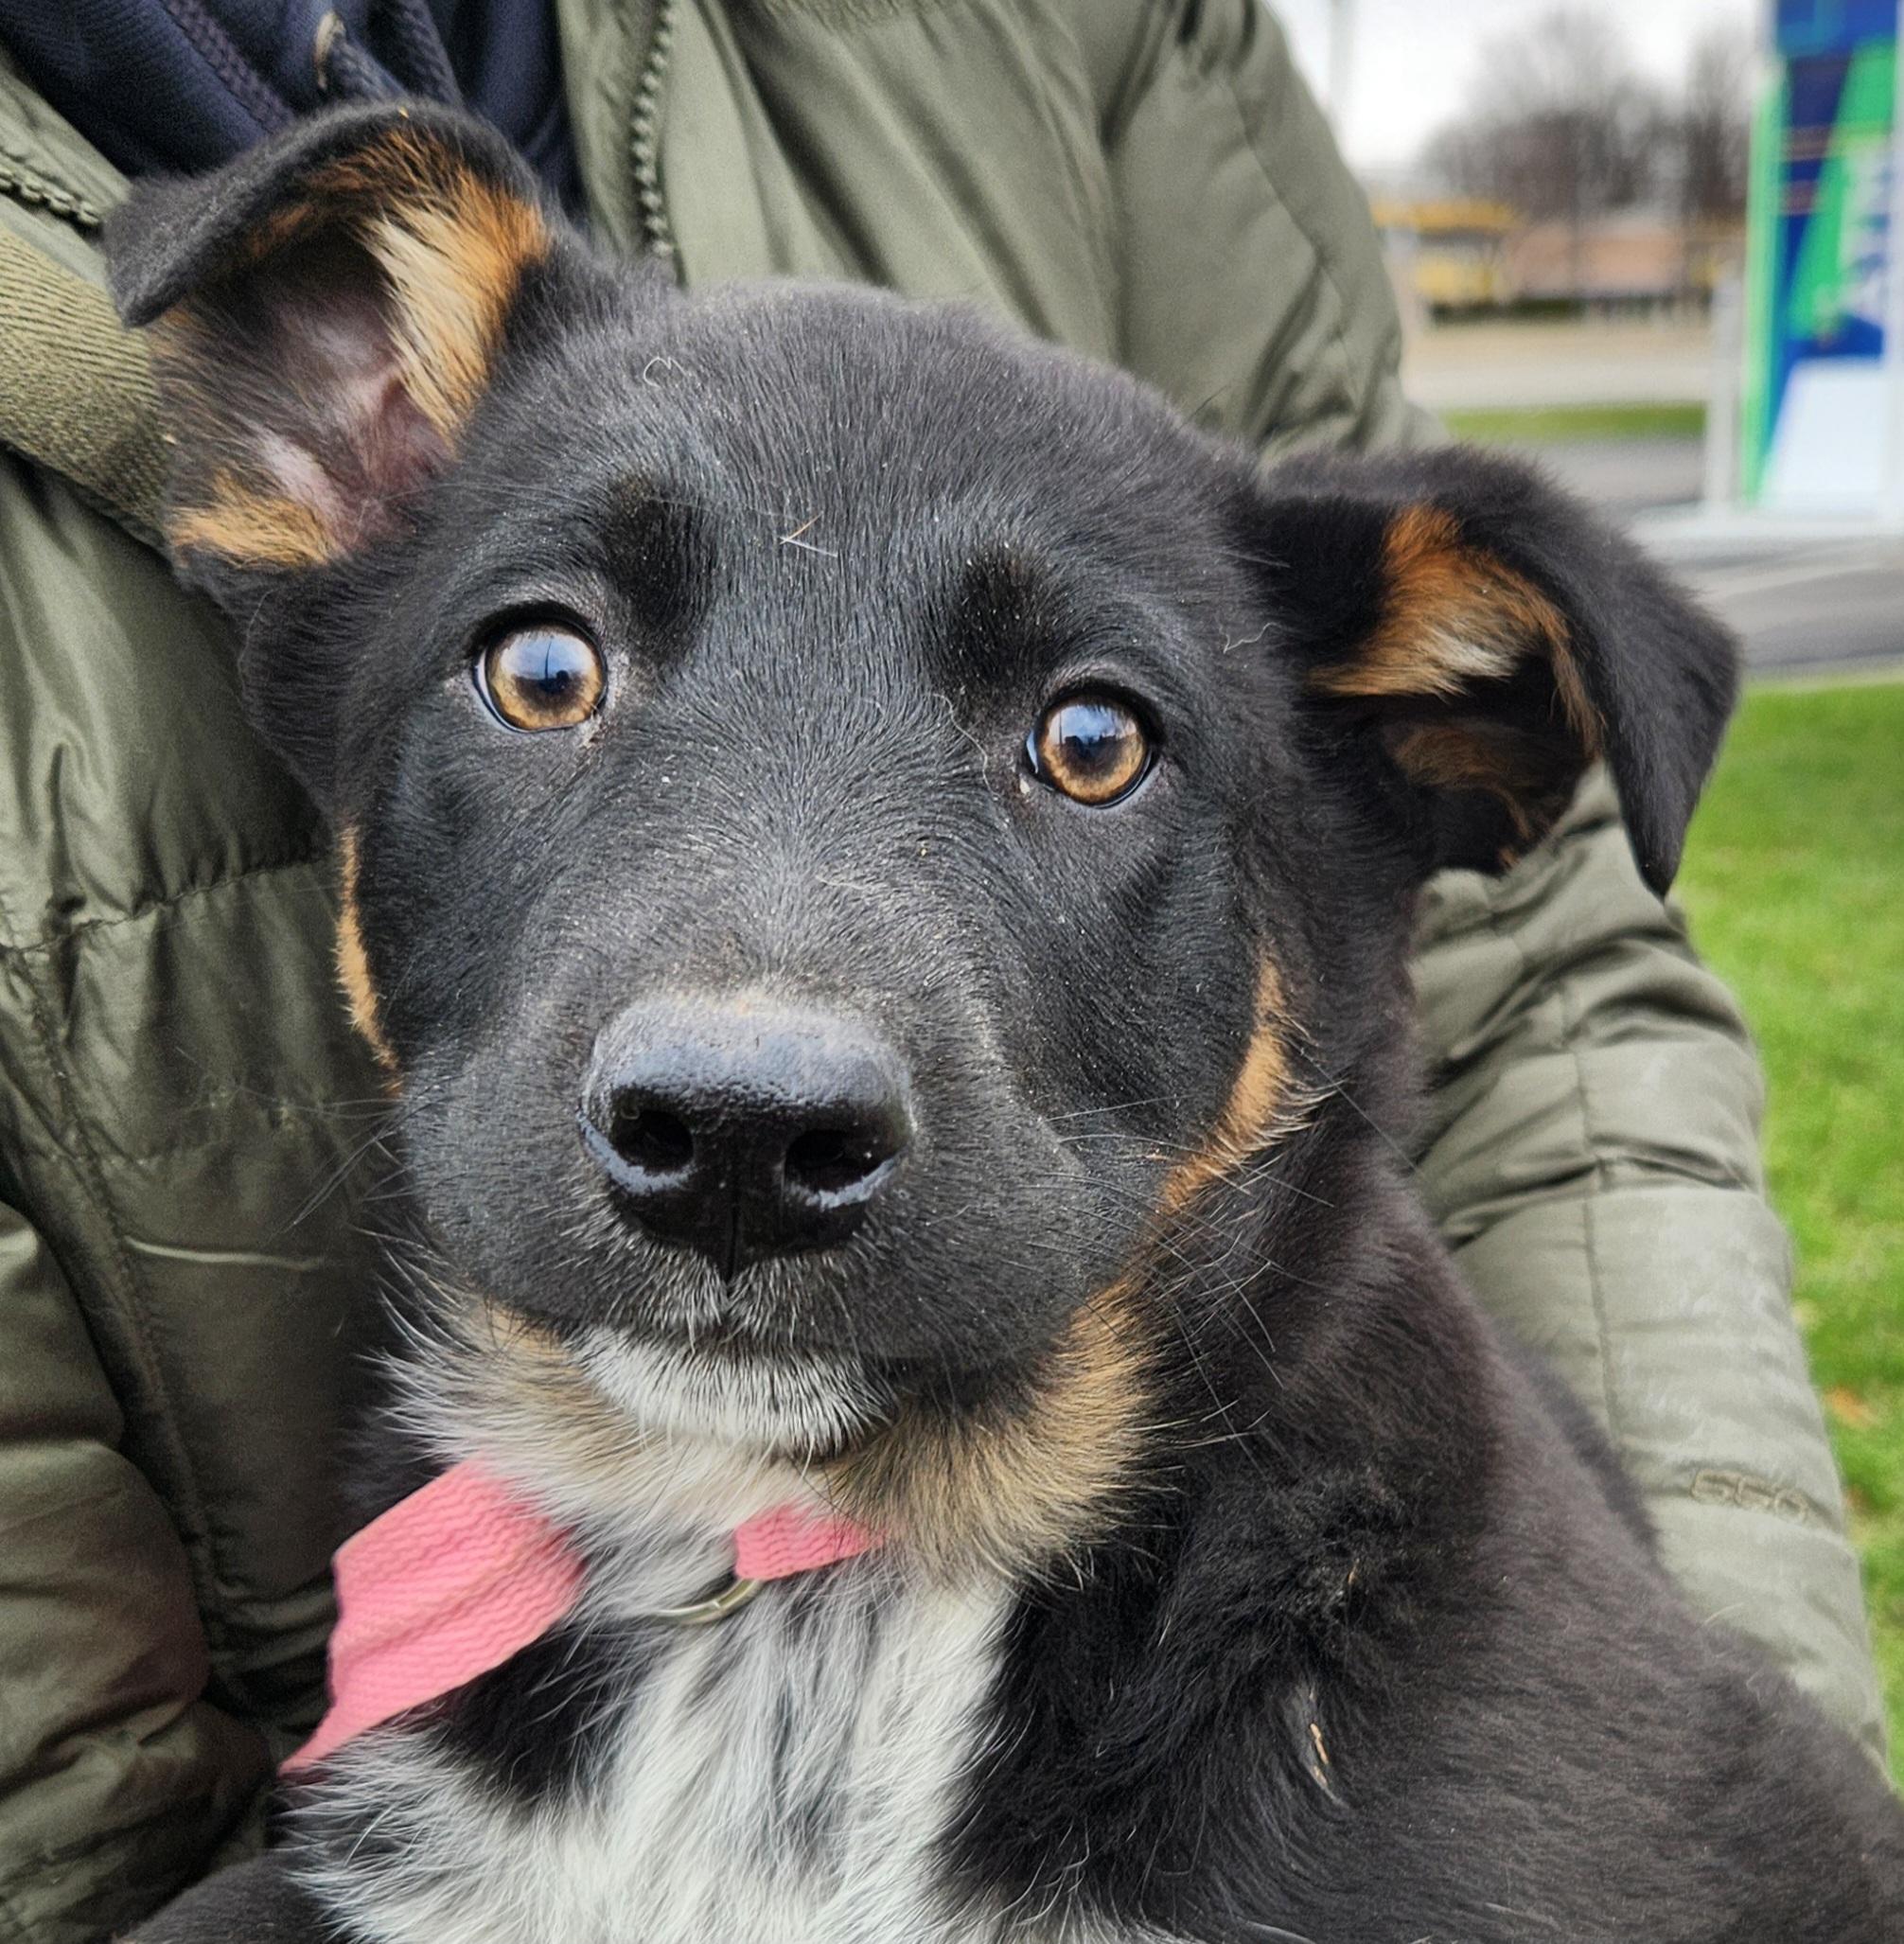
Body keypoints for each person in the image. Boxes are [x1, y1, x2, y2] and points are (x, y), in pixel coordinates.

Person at [0, 4, 1882, 1937]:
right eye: (547, 672)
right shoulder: (431, 1664)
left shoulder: (1495, 1796)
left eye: (1089, 744)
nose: (750, 1050)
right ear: (337, 490)